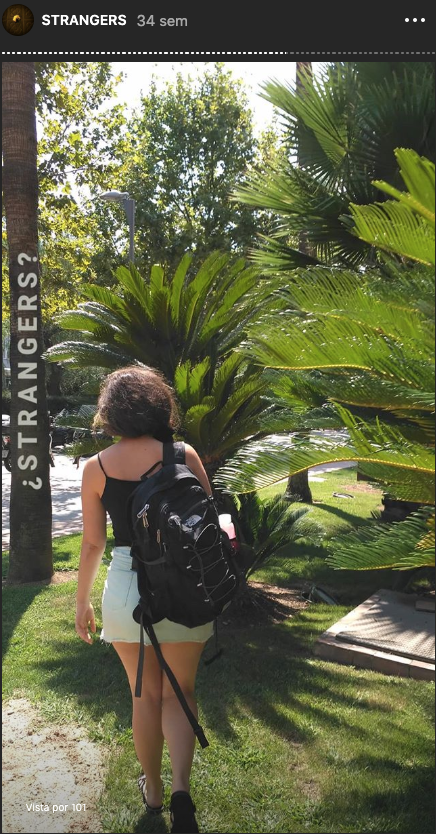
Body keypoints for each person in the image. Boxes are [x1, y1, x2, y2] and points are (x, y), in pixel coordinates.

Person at [75, 366, 214, 834]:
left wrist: (82, 601)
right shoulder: (183, 454)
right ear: (159, 405)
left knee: (144, 694)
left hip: (127, 590)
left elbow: (93, 543)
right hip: (184, 587)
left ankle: (153, 791)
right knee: (181, 692)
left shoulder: (97, 467)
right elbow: (207, 523)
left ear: (110, 414)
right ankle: (181, 791)